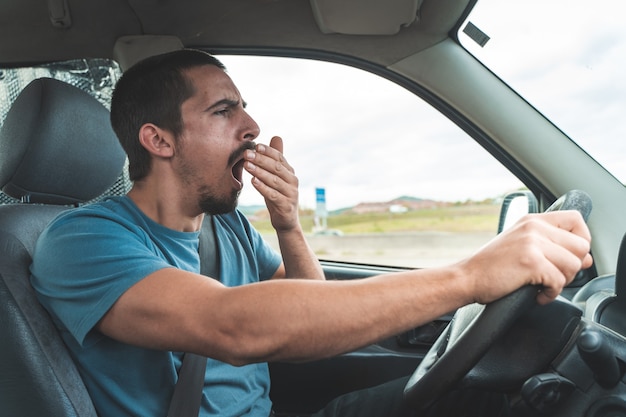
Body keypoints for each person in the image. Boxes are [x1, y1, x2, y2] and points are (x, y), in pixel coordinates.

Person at [30, 49, 592, 417]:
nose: (252, 127)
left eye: (245, 108)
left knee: (491, 396)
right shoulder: (82, 241)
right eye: (226, 112)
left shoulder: (225, 228)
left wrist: (288, 223)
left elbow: (312, 315)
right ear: (159, 140)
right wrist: (470, 276)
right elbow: (232, 326)